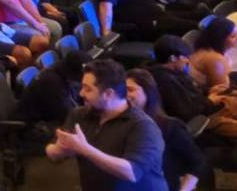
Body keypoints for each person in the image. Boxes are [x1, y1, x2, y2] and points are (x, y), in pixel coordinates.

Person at [46, 60, 168, 191]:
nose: (81, 93)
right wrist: (59, 149)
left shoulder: (143, 126)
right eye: (82, 87)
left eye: (88, 89)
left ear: (109, 94)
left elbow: (131, 172)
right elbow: (52, 153)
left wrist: (84, 149)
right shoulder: (79, 115)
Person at [126, 69, 204, 191]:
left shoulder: (169, 126)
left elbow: (197, 163)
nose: (125, 95)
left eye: (130, 89)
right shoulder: (119, 126)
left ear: (148, 92)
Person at [17, 49, 92, 129]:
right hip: (32, 127)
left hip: (48, 118)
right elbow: (66, 116)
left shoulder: (61, 71)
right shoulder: (51, 83)